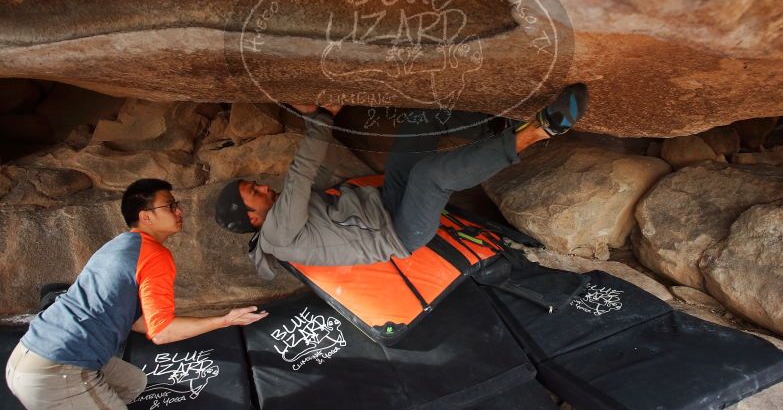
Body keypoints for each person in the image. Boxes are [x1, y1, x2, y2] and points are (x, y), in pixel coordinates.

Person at [215, 84, 588, 279]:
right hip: (400, 231)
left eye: (254, 183)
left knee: (415, 125)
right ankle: (539, 131)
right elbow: (301, 175)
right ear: (252, 219)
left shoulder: (280, 221)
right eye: (254, 192)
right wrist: (318, 118)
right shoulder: (277, 236)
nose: (263, 187)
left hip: (388, 203)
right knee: (430, 176)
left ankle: (494, 125)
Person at [5, 178, 268, 410]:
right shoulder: (154, 255)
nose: (179, 211)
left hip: (26, 355)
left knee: (134, 384)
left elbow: (137, 321)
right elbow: (162, 332)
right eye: (170, 205)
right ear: (146, 217)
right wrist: (225, 320)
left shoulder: (120, 244)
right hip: (58, 371)